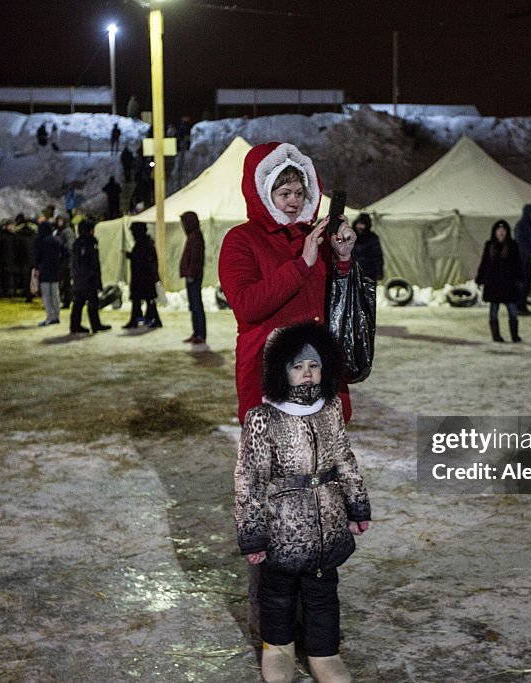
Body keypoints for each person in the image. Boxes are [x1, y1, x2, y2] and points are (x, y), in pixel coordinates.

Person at [235, 322, 371, 683]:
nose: (307, 374)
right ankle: (277, 650)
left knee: (323, 592)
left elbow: (344, 459)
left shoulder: (330, 411)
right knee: (277, 594)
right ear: (281, 371)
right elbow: (249, 480)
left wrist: (357, 505)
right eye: (297, 367)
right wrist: (252, 534)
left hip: (328, 521)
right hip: (283, 525)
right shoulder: (263, 418)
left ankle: (324, 653)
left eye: (314, 365)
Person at [217, 141, 356, 425]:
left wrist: (342, 259)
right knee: (279, 464)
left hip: (317, 373)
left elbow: (336, 304)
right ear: (264, 194)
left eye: (299, 192)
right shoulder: (241, 239)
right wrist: (303, 263)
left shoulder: (316, 237)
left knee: (322, 461)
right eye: (284, 194)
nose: (294, 201)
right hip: (271, 376)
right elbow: (247, 306)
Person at [475, 219, 523, 342]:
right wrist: (480, 278)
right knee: (494, 309)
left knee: (512, 309)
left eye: (503, 230)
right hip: (493, 283)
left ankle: (514, 335)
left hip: (508, 283)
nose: (501, 232)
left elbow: (517, 263)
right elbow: (484, 263)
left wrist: (519, 279)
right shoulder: (489, 245)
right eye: (498, 230)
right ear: (494, 232)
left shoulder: (512, 245)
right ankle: (496, 335)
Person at [69, 220, 111, 334]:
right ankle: (94, 325)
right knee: (90, 302)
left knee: (80, 302)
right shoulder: (86, 244)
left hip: (81, 279)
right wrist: (92, 276)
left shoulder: (81, 243)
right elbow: (87, 263)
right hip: (87, 279)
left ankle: (76, 325)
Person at [124, 222, 162, 329]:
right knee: (145, 299)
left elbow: (144, 260)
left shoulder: (144, 244)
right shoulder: (144, 243)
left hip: (143, 277)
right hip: (143, 277)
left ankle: (149, 319)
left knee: (145, 300)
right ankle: (144, 318)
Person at [32, 216, 67, 326]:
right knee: (56, 295)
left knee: (47, 296)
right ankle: (56, 316)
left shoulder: (40, 241)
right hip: (55, 270)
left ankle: (50, 317)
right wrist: (60, 263)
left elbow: (37, 257)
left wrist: (37, 267)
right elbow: (66, 254)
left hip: (44, 271)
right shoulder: (57, 240)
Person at [179, 211, 206, 343]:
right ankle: (197, 332)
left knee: (196, 305)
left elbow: (196, 258)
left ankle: (200, 334)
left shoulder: (195, 237)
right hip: (192, 275)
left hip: (194, 276)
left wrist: (191, 273)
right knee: (193, 305)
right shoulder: (193, 236)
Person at [513, 203, 531, 315]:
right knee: (521, 283)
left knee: (526, 283)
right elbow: (520, 243)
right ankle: (519, 306)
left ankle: (522, 305)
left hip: (528, 260)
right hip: (522, 260)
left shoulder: (529, 226)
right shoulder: (521, 225)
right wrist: (528, 254)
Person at [350, 212, 383, 281]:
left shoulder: (372, 238)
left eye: (363, 224)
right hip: (352, 272)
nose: (360, 227)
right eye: (358, 224)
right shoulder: (351, 237)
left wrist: (379, 272)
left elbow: (378, 256)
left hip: (368, 272)